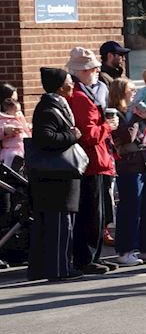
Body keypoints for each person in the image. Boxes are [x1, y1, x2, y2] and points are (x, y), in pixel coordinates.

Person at [28, 68, 84, 281]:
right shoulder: (47, 109)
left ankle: (61, 265)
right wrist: (72, 135)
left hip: (62, 176)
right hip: (54, 178)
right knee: (58, 225)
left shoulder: (58, 105)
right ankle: (58, 269)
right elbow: (45, 138)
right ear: (60, 87)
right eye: (69, 82)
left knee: (64, 224)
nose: (73, 85)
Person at [65, 47, 117, 274]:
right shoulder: (81, 97)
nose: (97, 71)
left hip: (96, 160)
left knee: (98, 213)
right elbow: (90, 135)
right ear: (83, 71)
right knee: (91, 213)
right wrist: (108, 126)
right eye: (93, 68)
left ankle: (93, 256)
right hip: (92, 161)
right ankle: (86, 258)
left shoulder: (84, 94)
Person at [109, 77, 146, 266]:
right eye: (131, 90)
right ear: (121, 93)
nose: (134, 93)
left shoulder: (136, 110)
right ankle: (125, 250)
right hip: (129, 165)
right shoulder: (114, 114)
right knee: (131, 208)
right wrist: (136, 117)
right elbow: (126, 137)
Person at [0, 96, 30, 167]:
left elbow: (25, 128)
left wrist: (28, 128)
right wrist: (6, 130)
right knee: (10, 165)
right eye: (16, 111)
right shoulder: (4, 120)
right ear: (7, 112)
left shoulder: (20, 118)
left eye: (20, 111)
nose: (19, 113)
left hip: (22, 146)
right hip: (11, 149)